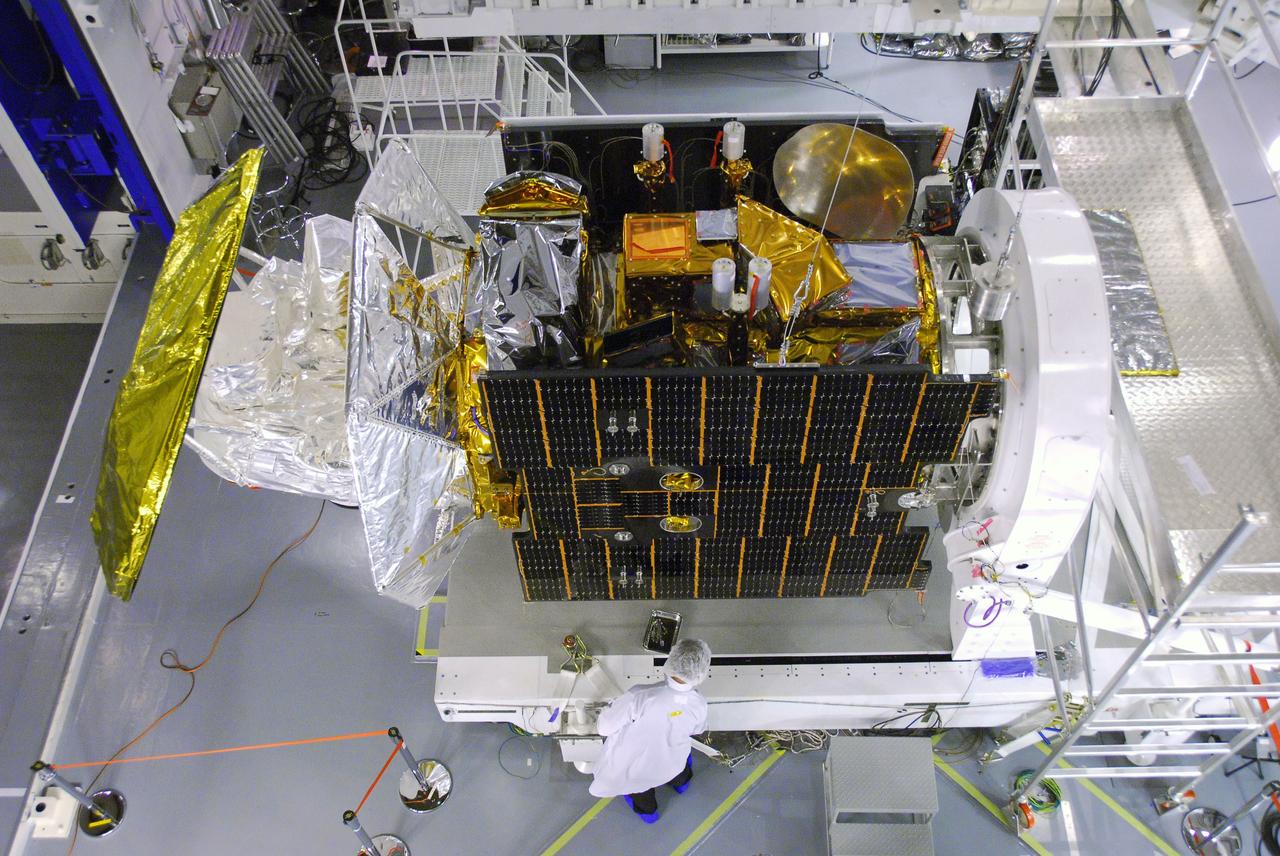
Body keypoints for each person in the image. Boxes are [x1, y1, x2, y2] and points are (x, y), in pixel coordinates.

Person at [589, 638, 712, 823]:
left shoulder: (640, 696)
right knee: (680, 770)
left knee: (640, 792)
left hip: (637, 771)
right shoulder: (699, 704)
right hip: (673, 762)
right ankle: (681, 785)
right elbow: (696, 729)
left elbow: (604, 728)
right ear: (702, 671)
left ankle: (650, 815)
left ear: (671, 660)